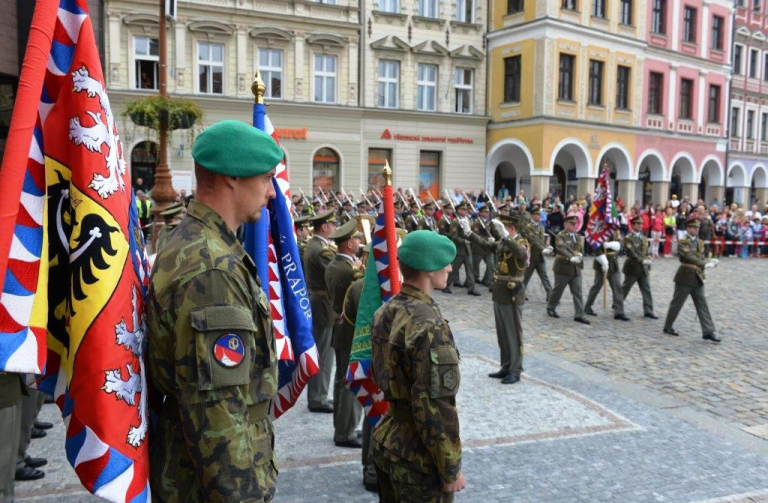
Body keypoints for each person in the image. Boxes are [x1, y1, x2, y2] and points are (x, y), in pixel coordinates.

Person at [147, 120, 282, 502]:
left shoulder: (194, 241)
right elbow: (216, 412)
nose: (271, 192)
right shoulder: (212, 269)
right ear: (232, 179)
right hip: (206, 484)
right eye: (266, 179)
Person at [371, 230, 465, 502]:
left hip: (389, 437)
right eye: (444, 262)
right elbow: (435, 404)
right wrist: (450, 469)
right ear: (427, 269)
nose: (449, 268)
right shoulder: (430, 325)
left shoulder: (387, 309)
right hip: (418, 455)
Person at [325, 219, 365, 448]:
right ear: (349, 243)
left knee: (342, 381)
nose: (359, 241)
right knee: (350, 382)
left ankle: (341, 426)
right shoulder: (347, 270)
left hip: (340, 328)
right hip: (348, 330)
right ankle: (346, 432)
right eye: (357, 238)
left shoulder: (336, 264)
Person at [663, 217, 721, 343]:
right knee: (677, 303)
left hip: (697, 277)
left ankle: (708, 331)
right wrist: (704, 264)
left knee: (702, 304)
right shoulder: (684, 242)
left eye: (697, 227)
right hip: (685, 276)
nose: (696, 229)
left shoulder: (699, 242)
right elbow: (688, 257)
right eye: (694, 227)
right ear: (688, 228)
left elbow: (700, 256)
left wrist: (705, 269)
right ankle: (668, 326)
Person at [488, 213, 530, 385]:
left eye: (504, 228)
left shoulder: (521, 243)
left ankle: (516, 369)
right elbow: (487, 245)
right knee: (503, 334)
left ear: (511, 228)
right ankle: (506, 366)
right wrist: (468, 233)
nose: (501, 231)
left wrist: (505, 237)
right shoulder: (505, 242)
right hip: (500, 292)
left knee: (513, 334)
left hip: (512, 293)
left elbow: (520, 254)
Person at [304, 210, 340, 413]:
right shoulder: (320, 249)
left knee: (326, 352)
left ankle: (321, 394)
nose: (335, 227)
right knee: (323, 353)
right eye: (333, 224)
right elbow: (333, 273)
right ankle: (318, 397)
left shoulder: (318, 245)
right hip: (322, 304)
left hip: (321, 302)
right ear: (325, 227)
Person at [546, 213, 589, 324]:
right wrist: (571, 257)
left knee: (578, 292)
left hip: (576, 269)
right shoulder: (561, 236)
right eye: (572, 224)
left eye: (575, 224)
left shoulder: (578, 236)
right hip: (563, 268)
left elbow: (580, 249)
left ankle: (579, 314)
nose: (574, 226)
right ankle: (551, 307)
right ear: (566, 224)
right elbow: (561, 249)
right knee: (558, 290)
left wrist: (580, 255)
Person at [445, 201, 489, 296]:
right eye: (463, 209)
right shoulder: (455, 222)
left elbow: (470, 234)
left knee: (470, 269)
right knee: (454, 269)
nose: (465, 211)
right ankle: (446, 285)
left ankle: (471, 288)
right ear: (458, 210)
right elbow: (454, 237)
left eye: (466, 209)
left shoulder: (468, 221)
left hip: (468, 249)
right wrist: (464, 241)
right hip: (459, 250)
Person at [584, 230, 629, 321]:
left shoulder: (615, 231)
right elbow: (596, 248)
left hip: (613, 264)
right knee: (597, 286)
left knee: (617, 287)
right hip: (602, 264)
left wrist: (611, 244)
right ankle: (587, 306)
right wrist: (603, 261)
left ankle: (619, 312)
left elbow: (621, 244)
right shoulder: (598, 232)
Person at [622, 216, 658, 319]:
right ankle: (618, 305)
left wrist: (649, 257)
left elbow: (646, 251)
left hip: (643, 268)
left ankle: (648, 310)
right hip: (633, 267)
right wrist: (642, 260)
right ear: (632, 225)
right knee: (625, 288)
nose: (639, 225)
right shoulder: (628, 238)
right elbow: (631, 252)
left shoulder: (644, 238)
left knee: (646, 289)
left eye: (641, 224)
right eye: (637, 224)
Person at [523, 207, 553, 300]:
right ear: (533, 215)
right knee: (526, 277)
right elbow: (533, 241)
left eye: (540, 215)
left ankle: (550, 295)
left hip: (540, 256)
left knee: (544, 276)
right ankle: (521, 293)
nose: (540, 216)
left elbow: (541, 240)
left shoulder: (541, 226)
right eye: (538, 214)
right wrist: (543, 249)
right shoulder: (528, 227)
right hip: (531, 256)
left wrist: (547, 246)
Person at [471, 204, 495, 289]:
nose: (487, 213)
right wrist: (488, 239)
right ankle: (471, 281)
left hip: (488, 248)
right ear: (480, 213)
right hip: (478, 248)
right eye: (484, 212)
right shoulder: (476, 223)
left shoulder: (490, 222)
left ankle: (487, 280)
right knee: (474, 266)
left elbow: (494, 232)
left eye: (487, 212)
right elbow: (476, 235)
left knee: (491, 266)